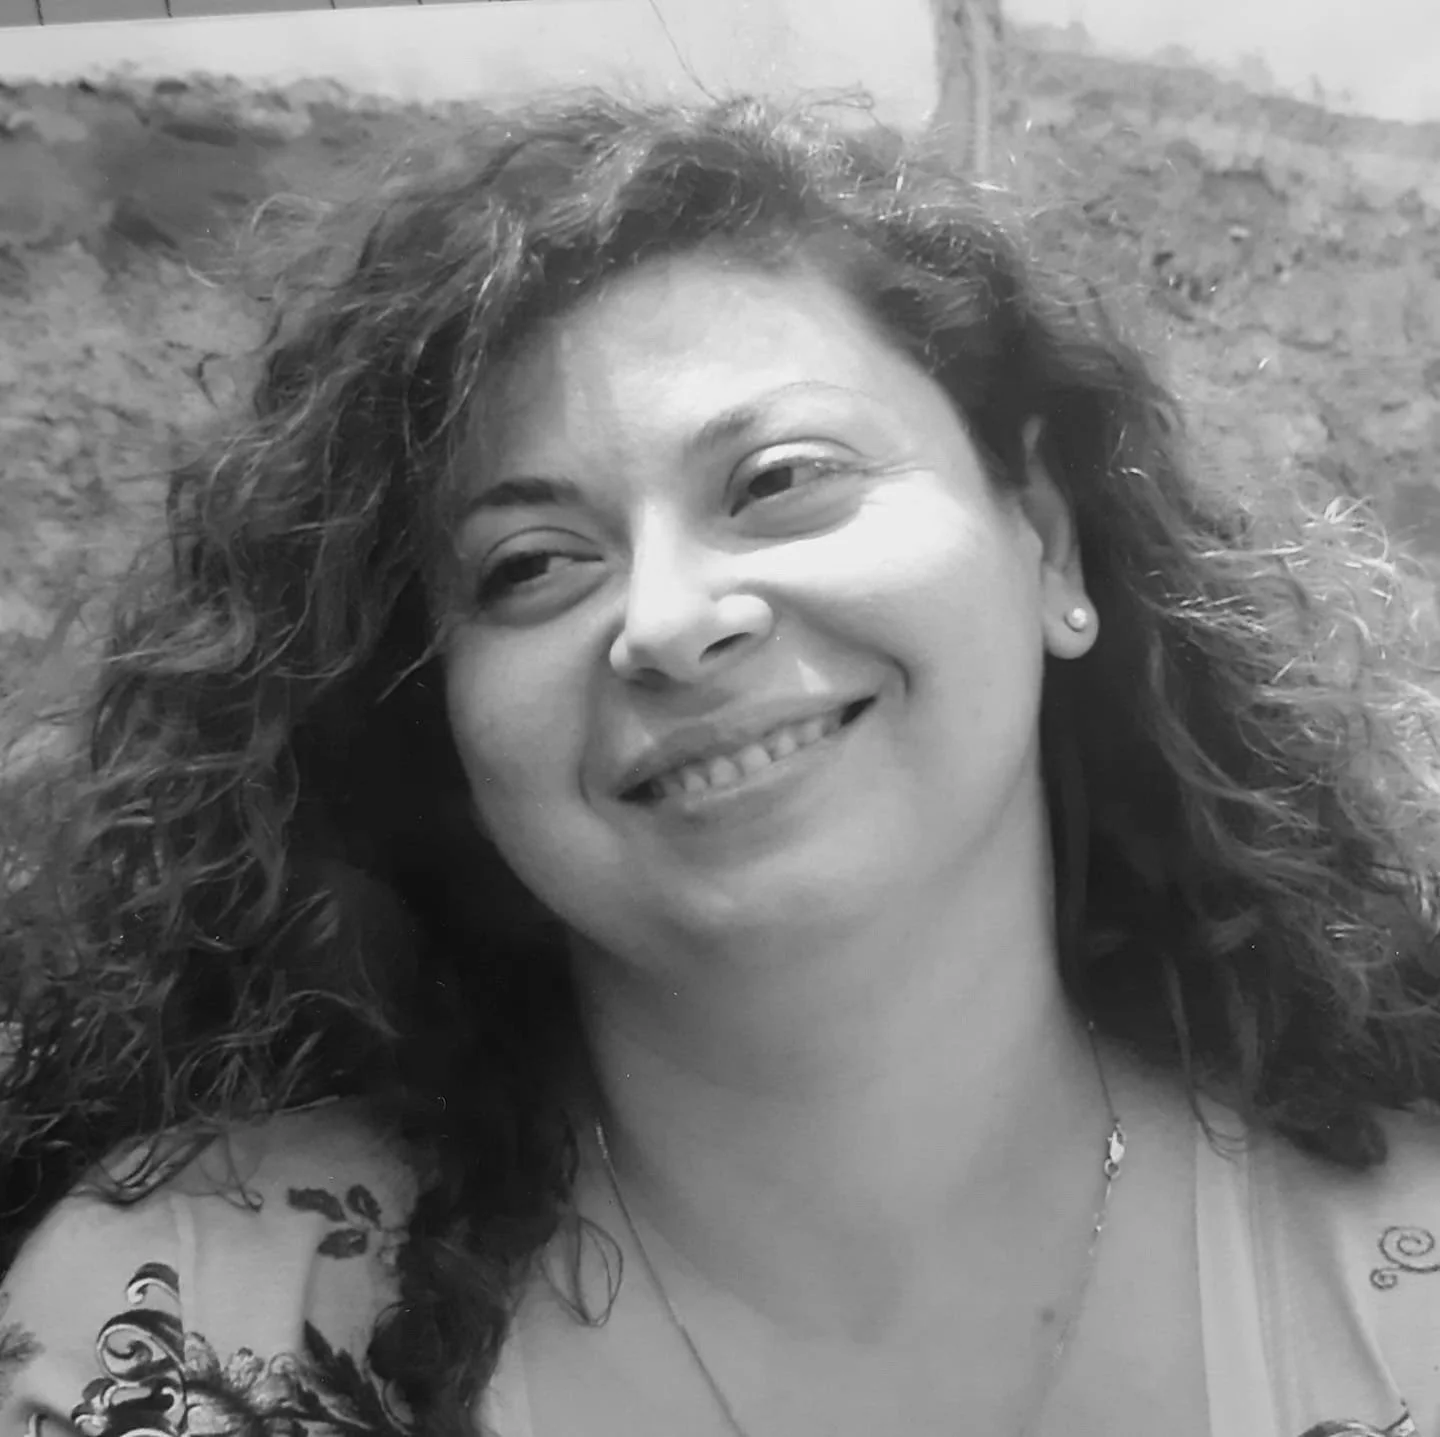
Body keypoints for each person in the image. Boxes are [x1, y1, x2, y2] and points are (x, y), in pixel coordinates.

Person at [1, 91, 1440, 1437]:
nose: (672, 624)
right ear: (439, 724)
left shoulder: (1408, 1287)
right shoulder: (191, 1326)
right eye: (530, 565)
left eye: (781, 480)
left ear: (1047, 544)